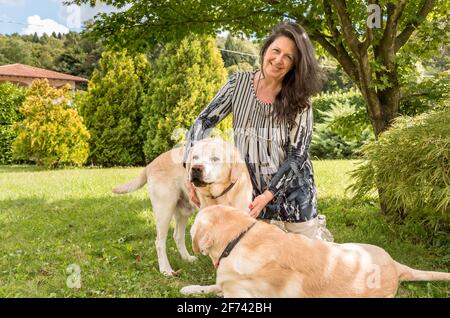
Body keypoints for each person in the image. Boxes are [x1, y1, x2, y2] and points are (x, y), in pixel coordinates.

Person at [183, 21, 333, 241]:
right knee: (259, 257)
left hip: (293, 192)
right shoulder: (238, 84)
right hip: (250, 191)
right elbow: (204, 121)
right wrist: (189, 169)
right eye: (276, 50)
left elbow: (296, 155)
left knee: (308, 256)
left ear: (295, 65)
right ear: (265, 50)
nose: (279, 60)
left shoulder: (301, 101)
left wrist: (269, 195)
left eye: (288, 57)